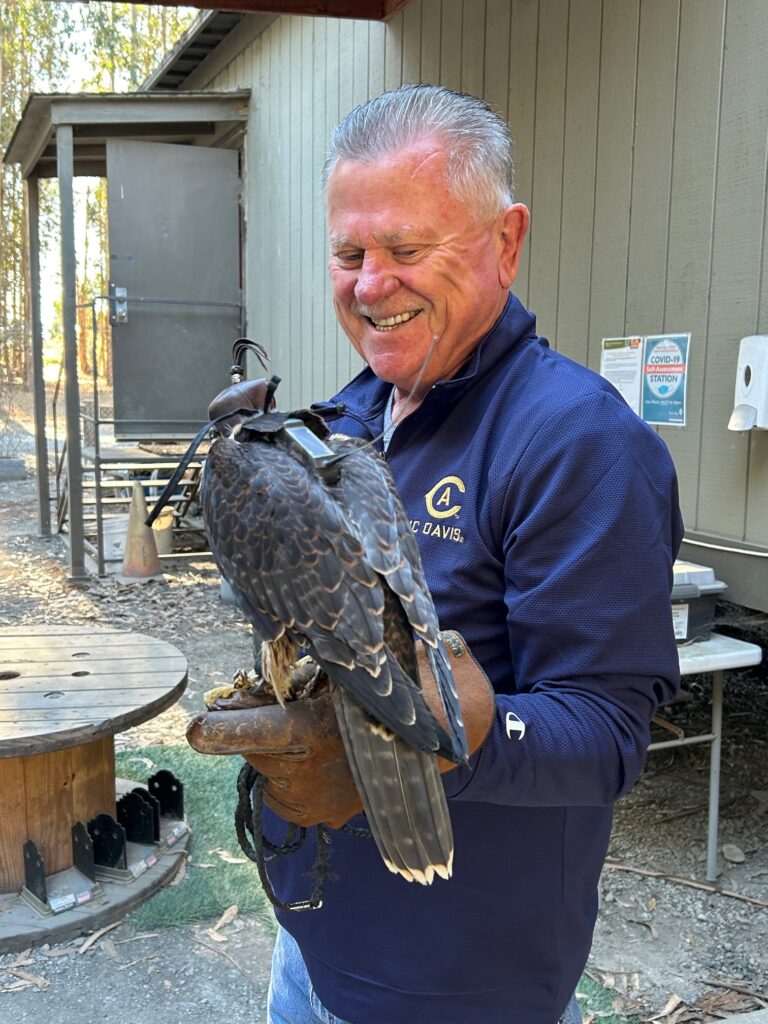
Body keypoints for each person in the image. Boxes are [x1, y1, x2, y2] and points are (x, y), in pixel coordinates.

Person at [191, 85, 683, 1024]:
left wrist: (467, 736)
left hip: (464, 989)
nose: (372, 284)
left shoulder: (578, 442)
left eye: (407, 251)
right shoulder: (337, 428)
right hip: (310, 953)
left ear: (505, 243)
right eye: (350, 254)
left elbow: (610, 736)